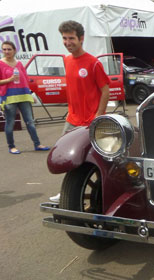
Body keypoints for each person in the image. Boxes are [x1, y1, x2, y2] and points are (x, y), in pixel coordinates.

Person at [50, 20, 110, 203]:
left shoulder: (93, 63)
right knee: (67, 156)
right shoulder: (67, 60)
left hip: (90, 121)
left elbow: (105, 89)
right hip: (72, 120)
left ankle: (103, 193)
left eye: (71, 38)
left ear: (81, 38)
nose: (68, 42)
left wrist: (98, 115)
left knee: (93, 160)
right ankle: (69, 192)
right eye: (64, 38)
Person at [0, 41, 50, 154]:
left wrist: (30, 94)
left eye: (9, 49)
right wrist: (9, 80)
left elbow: (25, 80)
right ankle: (11, 146)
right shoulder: (0, 64)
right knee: (10, 123)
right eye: (4, 49)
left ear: (14, 50)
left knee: (30, 122)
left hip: (24, 96)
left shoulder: (19, 63)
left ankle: (37, 144)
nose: (7, 51)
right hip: (9, 98)